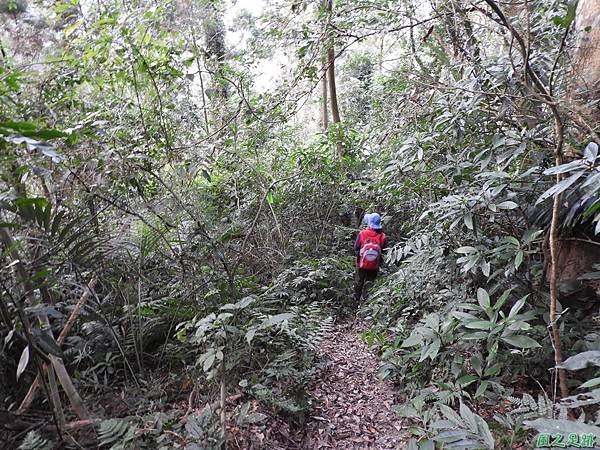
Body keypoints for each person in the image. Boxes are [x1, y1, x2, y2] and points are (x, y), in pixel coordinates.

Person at [353, 212, 387, 303]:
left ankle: (356, 300)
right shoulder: (383, 236)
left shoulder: (362, 233)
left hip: (362, 263)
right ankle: (367, 301)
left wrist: (360, 256)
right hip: (375, 264)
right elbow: (384, 250)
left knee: (360, 280)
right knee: (370, 281)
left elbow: (356, 248)